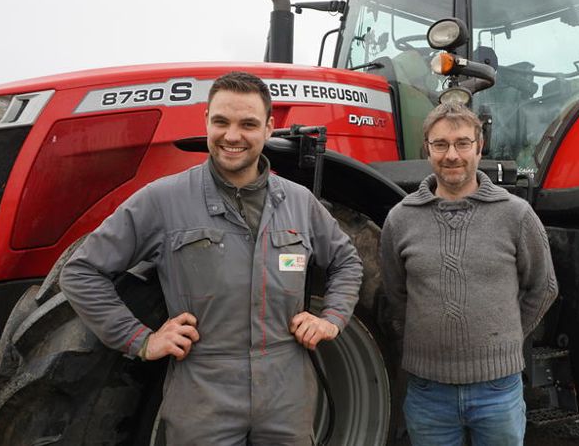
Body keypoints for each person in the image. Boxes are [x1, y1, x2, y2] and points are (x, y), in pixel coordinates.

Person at [60, 71, 363, 445]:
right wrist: (140, 339)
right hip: (203, 394)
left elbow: (347, 260)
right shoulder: (163, 199)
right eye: (221, 122)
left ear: (269, 127)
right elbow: (82, 272)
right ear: (206, 120)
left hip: (287, 391)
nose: (232, 136)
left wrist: (332, 319)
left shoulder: (299, 202)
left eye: (248, 124)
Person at [380, 102, 558, 445]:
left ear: (479, 147)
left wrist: (506, 338)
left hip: (497, 391)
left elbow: (543, 287)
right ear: (427, 149)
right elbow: (397, 293)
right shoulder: (400, 219)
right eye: (440, 144)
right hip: (428, 392)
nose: (452, 155)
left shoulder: (516, 215)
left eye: (462, 143)